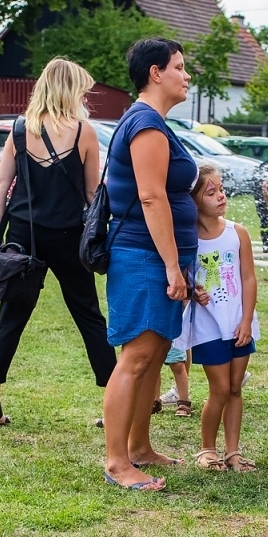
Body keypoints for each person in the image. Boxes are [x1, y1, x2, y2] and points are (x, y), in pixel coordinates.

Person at [0, 57, 114, 426]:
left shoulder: (20, 130)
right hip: (69, 237)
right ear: (71, 91)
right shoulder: (84, 131)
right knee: (88, 316)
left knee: (12, 317)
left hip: (23, 236)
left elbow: (1, 188)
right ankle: (114, 401)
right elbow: (91, 193)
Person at [101, 38, 199, 491]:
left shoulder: (155, 122)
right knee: (137, 358)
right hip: (143, 255)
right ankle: (118, 463)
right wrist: (172, 267)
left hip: (155, 255)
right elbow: (151, 196)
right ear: (155, 73)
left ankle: (140, 447)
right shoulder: (145, 124)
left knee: (155, 356)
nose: (186, 76)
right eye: (179, 67)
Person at [187, 162, 259, 472]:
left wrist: (246, 321)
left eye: (222, 190)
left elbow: (249, 278)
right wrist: (193, 291)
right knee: (218, 390)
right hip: (208, 327)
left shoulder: (237, 233)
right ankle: (206, 449)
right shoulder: (188, 238)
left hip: (239, 325)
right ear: (193, 200)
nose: (221, 196)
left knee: (234, 388)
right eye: (211, 192)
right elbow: (183, 277)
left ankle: (233, 453)